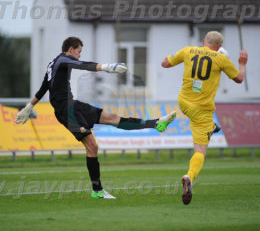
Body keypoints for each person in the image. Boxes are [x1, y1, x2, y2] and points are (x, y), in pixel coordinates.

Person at [15, 36, 176, 199]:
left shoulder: (54, 63)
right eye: (79, 52)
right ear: (70, 49)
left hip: (74, 105)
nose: (79, 55)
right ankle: (97, 190)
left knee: (112, 118)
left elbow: (44, 87)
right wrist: (107, 67)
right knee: (92, 146)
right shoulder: (63, 60)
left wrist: (29, 106)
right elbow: (82, 65)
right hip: (66, 112)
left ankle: (156, 123)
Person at [161, 31, 248, 205]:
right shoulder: (220, 58)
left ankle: (177, 119)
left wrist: (172, 56)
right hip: (202, 110)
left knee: (203, 123)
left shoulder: (188, 50)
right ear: (219, 47)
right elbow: (239, 78)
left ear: (203, 41)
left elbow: (165, 63)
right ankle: (189, 176)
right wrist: (242, 64)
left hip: (184, 102)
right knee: (200, 151)